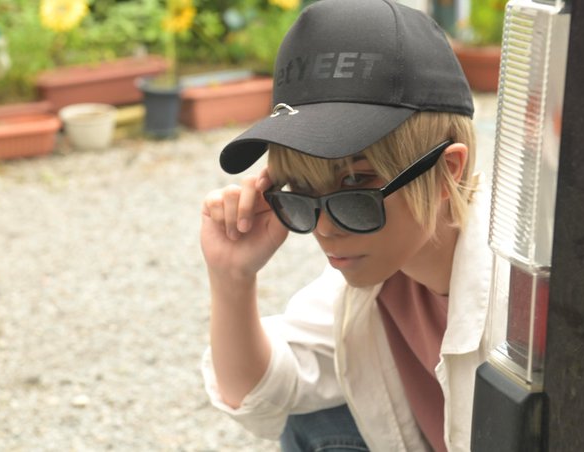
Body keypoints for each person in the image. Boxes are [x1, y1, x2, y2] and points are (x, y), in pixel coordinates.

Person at [199, 0, 506, 450]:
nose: (324, 228)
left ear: (447, 172)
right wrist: (231, 277)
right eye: (300, 190)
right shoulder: (376, 280)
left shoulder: (522, 303)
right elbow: (260, 394)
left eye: (356, 184)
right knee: (310, 422)